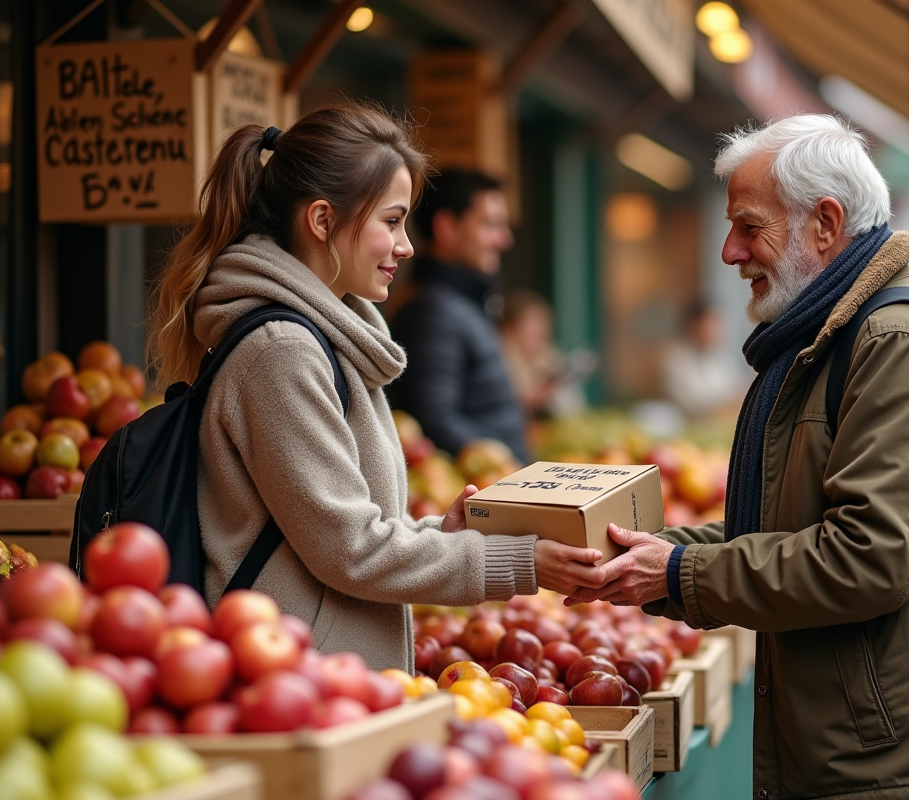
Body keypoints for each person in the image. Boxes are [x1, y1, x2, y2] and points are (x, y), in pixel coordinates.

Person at [566, 115, 909, 800]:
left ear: (826, 224)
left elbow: (869, 559)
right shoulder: (827, 341)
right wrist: (652, 555)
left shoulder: (895, 344)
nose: (728, 252)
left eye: (749, 227)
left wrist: (682, 571)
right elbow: (786, 526)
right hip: (859, 752)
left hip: (898, 769)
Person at [146, 102, 602, 671]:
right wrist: (519, 562)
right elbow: (350, 550)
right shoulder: (284, 353)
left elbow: (333, 530)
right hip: (296, 680)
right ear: (321, 221)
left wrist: (440, 532)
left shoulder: (325, 340)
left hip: (323, 673)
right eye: (391, 221)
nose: (405, 245)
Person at [386, 169, 528, 462]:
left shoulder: (459, 302)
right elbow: (432, 420)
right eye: (490, 225)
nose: (505, 240)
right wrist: (507, 469)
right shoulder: (431, 310)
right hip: (481, 494)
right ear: (447, 228)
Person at [498, 289, 587, 419]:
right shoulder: (500, 356)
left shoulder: (548, 355)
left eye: (543, 324)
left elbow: (573, 406)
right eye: (533, 325)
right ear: (510, 328)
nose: (541, 332)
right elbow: (505, 402)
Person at [660, 299, 747, 419]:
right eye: (711, 322)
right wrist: (728, 402)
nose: (717, 329)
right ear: (693, 324)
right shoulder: (675, 357)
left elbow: (737, 389)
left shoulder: (719, 355)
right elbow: (692, 404)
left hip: (721, 423)